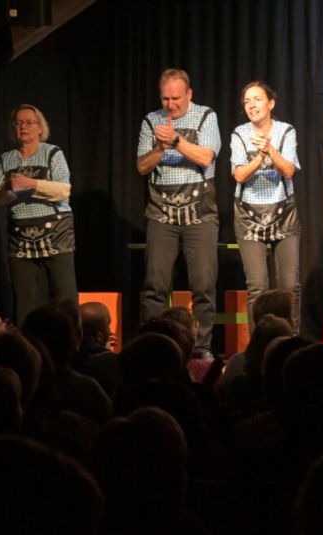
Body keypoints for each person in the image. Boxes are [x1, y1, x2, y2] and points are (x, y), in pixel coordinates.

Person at [137, 68, 221, 359]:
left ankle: (202, 349)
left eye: (176, 98)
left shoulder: (206, 116)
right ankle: (154, 347)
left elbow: (206, 157)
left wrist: (175, 140)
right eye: (165, 99)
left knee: (203, 286)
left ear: (189, 94)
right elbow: (142, 166)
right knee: (155, 286)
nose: (170, 104)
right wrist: (159, 149)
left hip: (200, 213)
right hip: (161, 213)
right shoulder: (151, 120)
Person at [0, 104, 77, 325]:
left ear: (40, 128)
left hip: (56, 231)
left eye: (29, 122)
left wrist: (32, 183)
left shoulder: (52, 153)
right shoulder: (6, 159)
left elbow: (63, 190)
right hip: (20, 236)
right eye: (18, 122)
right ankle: (27, 343)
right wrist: (6, 187)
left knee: (64, 297)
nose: (23, 127)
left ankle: (71, 340)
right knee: (23, 300)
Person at [230, 81, 301, 333]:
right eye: (247, 101)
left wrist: (270, 149)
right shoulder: (239, 134)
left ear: (271, 103)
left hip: (283, 214)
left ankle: (291, 342)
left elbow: (289, 170)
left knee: (289, 286)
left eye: (257, 99)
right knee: (257, 287)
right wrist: (260, 157)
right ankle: (259, 345)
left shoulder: (286, 131)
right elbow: (239, 175)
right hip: (248, 216)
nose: (251, 105)